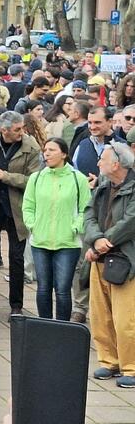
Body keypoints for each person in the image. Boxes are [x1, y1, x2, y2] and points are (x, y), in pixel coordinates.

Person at [19, 137, 90, 322]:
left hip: (67, 243)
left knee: (62, 289)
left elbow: (86, 208)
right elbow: (28, 206)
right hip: (40, 241)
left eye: (52, 150)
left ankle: (62, 327)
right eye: (45, 150)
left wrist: (75, 228)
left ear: (64, 154)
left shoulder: (78, 178)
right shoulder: (36, 178)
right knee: (43, 287)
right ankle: (45, 325)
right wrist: (32, 225)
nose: (47, 153)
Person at [83, 143, 135, 388]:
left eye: (102, 159)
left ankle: (131, 367)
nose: (98, 164)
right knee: (100, 315)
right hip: (100, 259)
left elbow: (130, 221)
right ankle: (109, 361)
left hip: (125, 260)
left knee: (126, 319)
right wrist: (95, 240)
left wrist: (107, 242)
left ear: (116, 164)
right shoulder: (103, 186)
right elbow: (89, 213)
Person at [0, 111, 42, 319]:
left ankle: (16, 305)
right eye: (17, 129)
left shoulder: (31, 147)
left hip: (16, 208)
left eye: (22, 128)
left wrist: (5, 176)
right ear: (3, 130)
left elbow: (34, 181)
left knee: (16, 259)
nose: (21, 132)